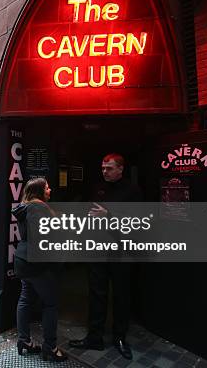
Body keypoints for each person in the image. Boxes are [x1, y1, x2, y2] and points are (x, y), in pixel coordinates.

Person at [69, 153, 142, 360]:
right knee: (96, 293)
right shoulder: (97, 188)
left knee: (121, 295)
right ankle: (95, 337)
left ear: (120, 168)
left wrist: (108, 216)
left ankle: (119, 337)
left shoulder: (132, 191)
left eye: (109, 168)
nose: (105, 171)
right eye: (102, 168)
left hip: (121, 251)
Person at [13, 177, 67, 362]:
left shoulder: (25, 207)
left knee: (25, 298)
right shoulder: (39, 208)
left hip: (23, 259)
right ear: (39, 191)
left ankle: (24, 341)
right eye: (47, 187)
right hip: (37, 263)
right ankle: (50, 348)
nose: (50, 190)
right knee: (50, 304)